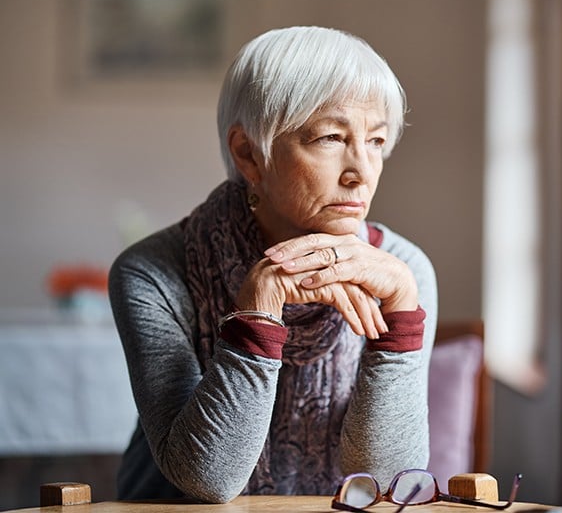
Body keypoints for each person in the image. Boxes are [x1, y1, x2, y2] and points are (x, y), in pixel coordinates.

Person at [108, 26, 437, 503]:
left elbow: (387, 482)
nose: (362, 172)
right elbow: (207, 479)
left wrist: (401, 316)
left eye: (376, 141)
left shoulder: (402, 271)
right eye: (330, 137)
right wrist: (258, 311)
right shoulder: (153, 273)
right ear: (248, 154)